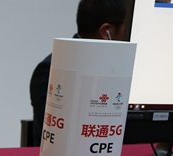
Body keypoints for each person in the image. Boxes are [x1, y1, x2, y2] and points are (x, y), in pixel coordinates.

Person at [28, 0, 127, 146]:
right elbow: (60, 137)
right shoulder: (50, 71)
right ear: (106, 32)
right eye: (129, 26)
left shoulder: (125, 68)